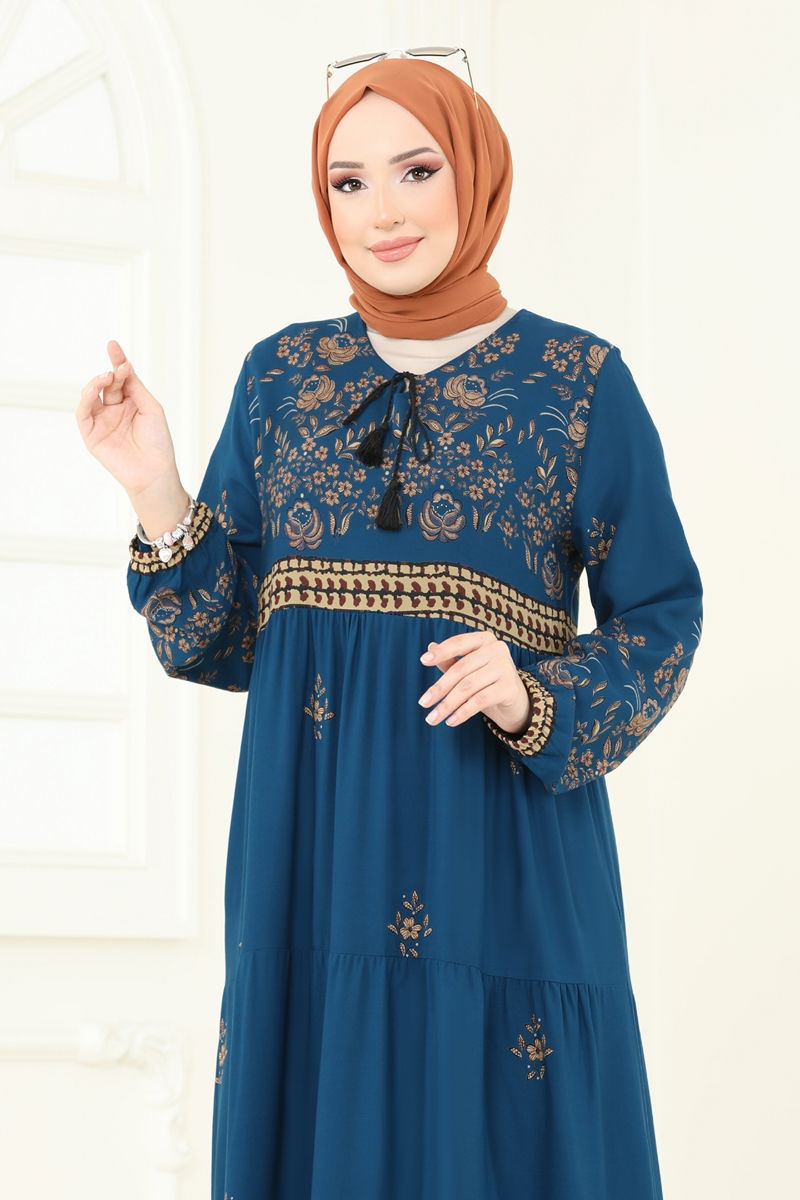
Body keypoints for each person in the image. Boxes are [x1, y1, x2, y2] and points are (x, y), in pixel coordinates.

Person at [75, 52, 703, 1200]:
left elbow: (661, 615)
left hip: (499, 858)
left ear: (474, 173)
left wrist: (531, 692)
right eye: (347, 183)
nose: (382, 212)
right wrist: (155, 486)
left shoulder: (574, 382)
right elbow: (223, 640)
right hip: (309, 856)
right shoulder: (281, 378)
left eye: (415, 170)